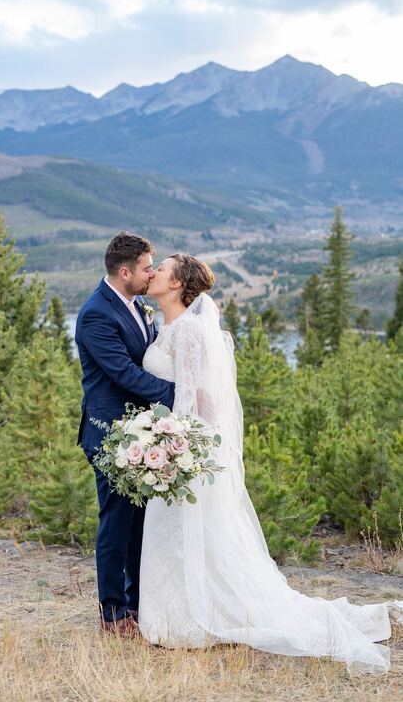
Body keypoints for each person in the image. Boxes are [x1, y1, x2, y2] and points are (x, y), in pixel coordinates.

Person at [138, 253, 403, 675]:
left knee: (191, 531)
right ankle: (174, 613)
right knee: (178, 532)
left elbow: (195, 397)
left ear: (176, 284)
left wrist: (172, 442)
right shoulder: (162, 324)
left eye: (162, 269)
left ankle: (196, 616)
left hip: (184, 446)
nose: (154, 274)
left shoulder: (188, 329)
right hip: (170, 441)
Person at [75, 232, 175, 636]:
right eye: (148, 267)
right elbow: (124, 373)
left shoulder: (136, 305)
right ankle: (112, 613)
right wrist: (176, 395)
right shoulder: (97, 314)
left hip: (140, 434)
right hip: (108, 433)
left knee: (139, 526)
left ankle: (136, 604)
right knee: (116, 525)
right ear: (124, 271)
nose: (152, 272)